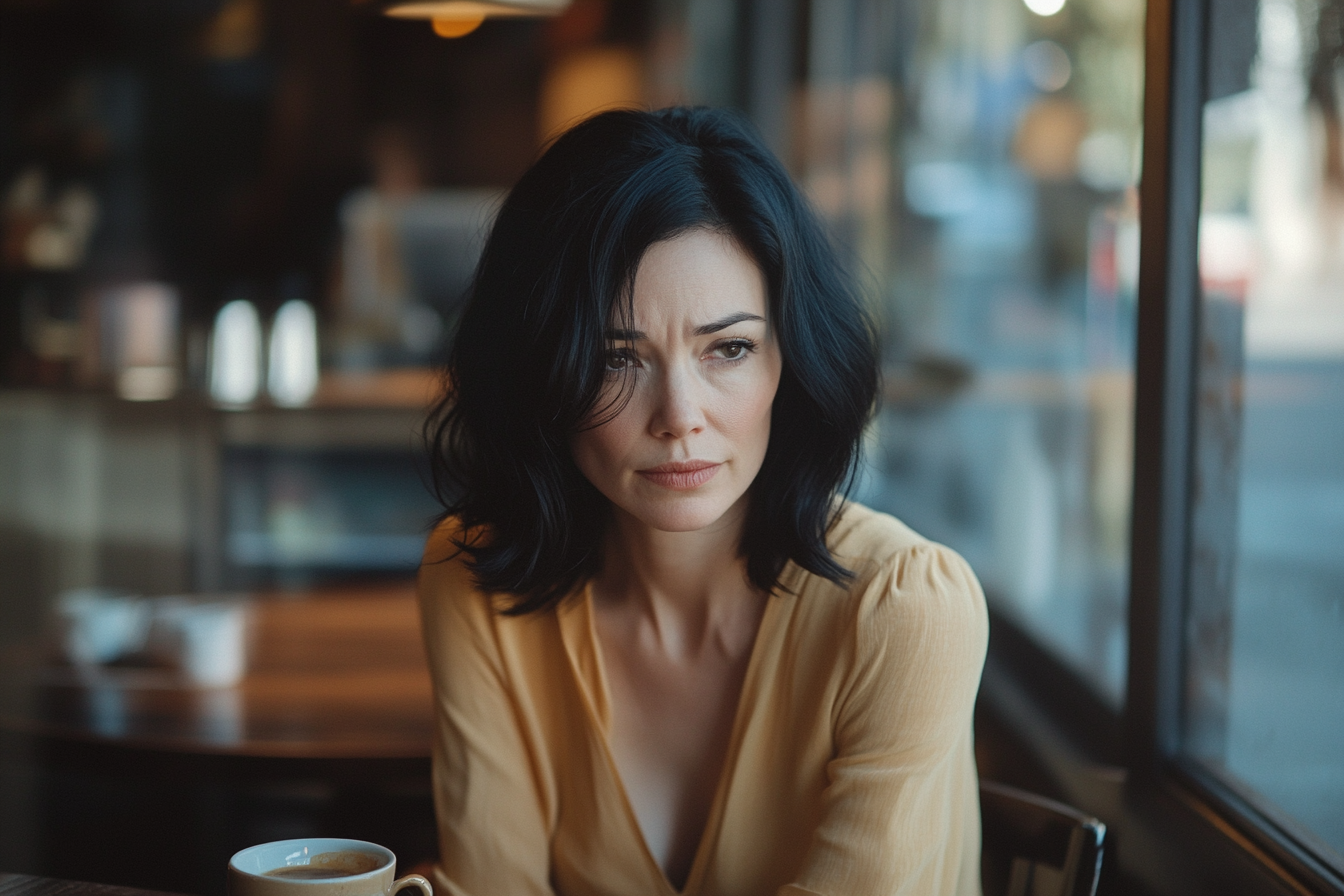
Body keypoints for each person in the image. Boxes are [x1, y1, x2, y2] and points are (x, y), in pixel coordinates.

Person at [419, 106, 988, 896]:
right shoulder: (477, 582)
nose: (680, 416)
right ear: (539, 370)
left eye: (729, 349)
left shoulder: (904, 608)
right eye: (617, 359)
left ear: (790, 359)